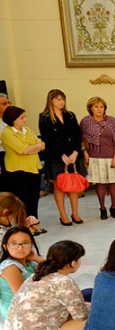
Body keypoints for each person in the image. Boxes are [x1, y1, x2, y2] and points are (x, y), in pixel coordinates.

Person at [4, 240, 90, 330]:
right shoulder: (63, 281)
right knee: (95, 318)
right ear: (73, 263)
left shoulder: (35, 276)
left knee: (85, 300)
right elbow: (81, 315)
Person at [38, 89, 87, 226]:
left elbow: (78, 135)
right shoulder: (45, 117)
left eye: (63, 99)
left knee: (73, 185)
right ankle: (63, 214)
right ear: (51, 100)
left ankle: (75, 213)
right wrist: (62, 155)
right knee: (58, 186)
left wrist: (76, 152)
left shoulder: (70, 115)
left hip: (72, 154)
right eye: (58, 99)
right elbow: (48, 139)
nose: (62, 102)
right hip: (55, 156)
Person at [1, 106, 45, 234]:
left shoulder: (27, 130)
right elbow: (23, 150)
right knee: (22, 200)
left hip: (33, 168)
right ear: (12, 119)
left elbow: (41, 144)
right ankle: (24, 225)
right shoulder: (7, 133)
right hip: (18, 170)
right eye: (21, 118)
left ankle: (33, 222)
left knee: (33, 198)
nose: (25, 120)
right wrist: (33, 148)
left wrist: (33, 147)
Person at [80, 96, 115, 220]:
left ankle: (114, 207)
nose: (99, 109)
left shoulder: (112, 121)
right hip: (95, 157)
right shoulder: (85, 122)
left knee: (112, 183)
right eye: (96, 107)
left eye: (101, 107)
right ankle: (102, 209)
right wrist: (85, 153)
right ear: (90, 108)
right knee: (99, 183)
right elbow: (82, 140)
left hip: (111, 156)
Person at [0, 226, 42, 320]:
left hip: (30, 307)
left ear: (31, 245)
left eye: (25, 243)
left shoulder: (28, 262)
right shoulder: (10, 267)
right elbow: (22, 297)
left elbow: (55, 276)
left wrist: (38, 259)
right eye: (14, 244)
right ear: (5, 247)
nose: (20, 248)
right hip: (18, 315)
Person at [0, 93, 10, 192]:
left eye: (8, 103)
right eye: (4, 104)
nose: (8, 106)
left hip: (15, 155)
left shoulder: (11, 119)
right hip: (2, 154)